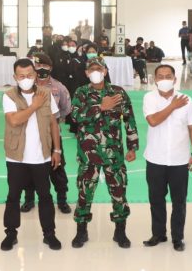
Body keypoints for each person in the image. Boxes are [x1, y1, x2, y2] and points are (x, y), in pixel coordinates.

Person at [69, 57, 139, 249]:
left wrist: (132, 146)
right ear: (86, 73)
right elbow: (75, 116)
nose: (96, 72)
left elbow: (129, 120)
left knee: (119, 192)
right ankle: (81, 230)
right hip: (88, 155)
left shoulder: (118, 92)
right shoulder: (81, 92)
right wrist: (100, 107)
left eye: (99, 69)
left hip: (113, 153)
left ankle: (120, 231)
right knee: (85, 192)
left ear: (105, 71)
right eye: (91, 69)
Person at [0, 58, 63, 251]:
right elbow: (14, 120)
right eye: (21, 76)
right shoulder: (9, 96)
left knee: (45, 196)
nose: (26, 79)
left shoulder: (46, 93)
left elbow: (53, 123)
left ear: (35, 75)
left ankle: (49, 234)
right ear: (15, 77)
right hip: (16, 157)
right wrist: (34, 106)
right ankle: (11, 234)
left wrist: (57, 150)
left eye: (29, 75)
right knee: (13, 196)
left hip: (41, 156)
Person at [143, 65, 192, 252]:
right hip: (155, 158)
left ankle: (178, 237)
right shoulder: (149, 98)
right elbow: (153, 121)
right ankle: (158, 234)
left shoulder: (186, 100)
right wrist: (173, 106)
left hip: (179, 160)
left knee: (179, 201)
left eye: (168, 76)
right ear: (155, 79)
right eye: (160, 76)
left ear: (175, 79)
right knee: (156, 199)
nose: (164, 79)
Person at [21, 54, 72, 214]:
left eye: (45, 66)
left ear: (51, 68)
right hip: (29, 134)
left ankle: (62, 200)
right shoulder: (25, 86)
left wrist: (54, 121)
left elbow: (66, 108)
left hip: (52, 134)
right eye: (38, 65)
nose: (41, 68)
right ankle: (29, 199)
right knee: (28, 168)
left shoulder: (59, 87)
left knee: (57, 168)